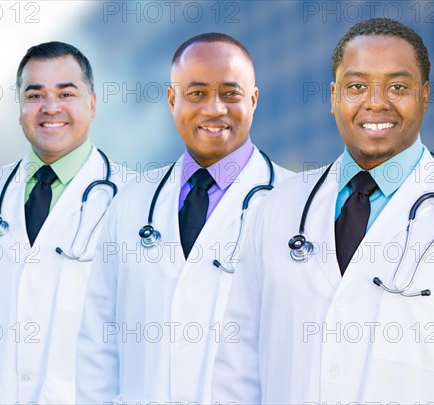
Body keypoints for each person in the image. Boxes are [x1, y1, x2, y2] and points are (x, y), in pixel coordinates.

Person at [212, 18, 434, 404]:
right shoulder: (278, 209)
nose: (376, 101)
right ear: (333, 97)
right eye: (356, 86)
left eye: (398, 87)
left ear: (426, 95)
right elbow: (237, 368)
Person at [76, 33, 293, 404]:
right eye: (196, 93)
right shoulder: (131, 202)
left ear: (253, 100)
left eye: (230, 93)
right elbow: (98, 340)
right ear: (172, 99)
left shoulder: (294, 204)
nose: (214, 109)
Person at [0, 41, 131, 404]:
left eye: (66, 93)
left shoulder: (133, 201)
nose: (50, 107)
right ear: (20, 108)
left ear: (93, 103)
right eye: (35, 95)